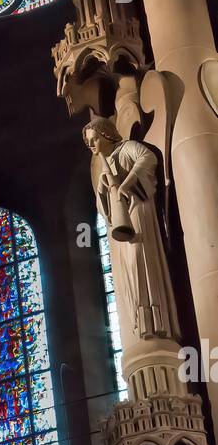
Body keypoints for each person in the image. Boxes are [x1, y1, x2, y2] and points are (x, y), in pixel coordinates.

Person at [83, 118, 177, 340]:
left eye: (94, 139)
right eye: (89, 143)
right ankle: (142, 319)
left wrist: (126, 183)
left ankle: (157, 318)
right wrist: (105, 190)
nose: (93, 146)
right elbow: (102, 207)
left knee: (140, 257)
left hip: (139, 210)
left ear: (106, 135)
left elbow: (148, 158)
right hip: (123, 224)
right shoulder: (105, 167)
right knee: (130, 268)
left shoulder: (127, 148)